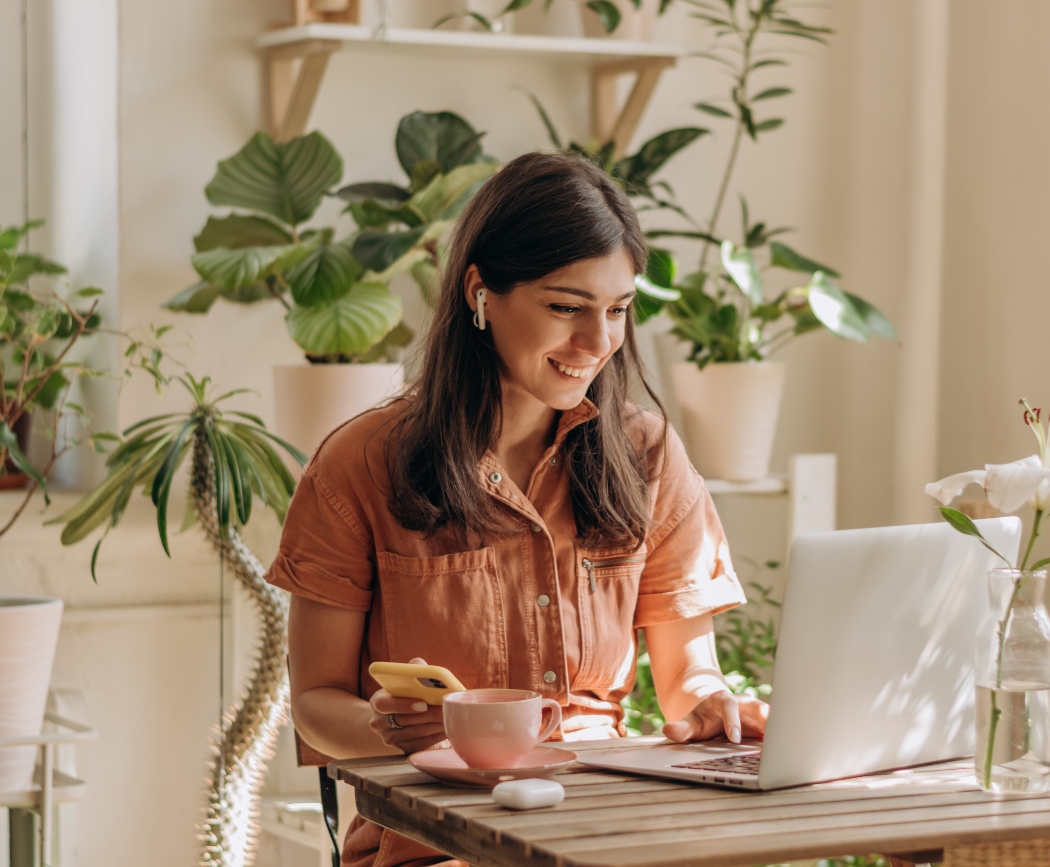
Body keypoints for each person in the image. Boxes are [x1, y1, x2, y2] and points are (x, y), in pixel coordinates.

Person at [266, 152, 768, 867]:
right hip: (434, 840)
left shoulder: (645, 452)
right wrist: (392, 731)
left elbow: (690, 677)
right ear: (481, 293)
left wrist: (715, 703)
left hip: (609, 830)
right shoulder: (361, 462)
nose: (597, 343)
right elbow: (316, 698)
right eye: (566, 307)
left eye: (618, 310)